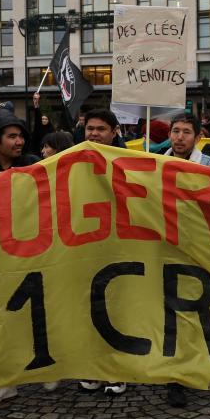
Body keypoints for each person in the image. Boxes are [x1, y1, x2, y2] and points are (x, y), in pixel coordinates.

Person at [0, 111, 51, 406]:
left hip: (34, 254)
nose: (19, 141)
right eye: (12, 136)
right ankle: (5, 381)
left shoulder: (35, 166)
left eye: (21, 136)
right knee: (0, 319)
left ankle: (51, 367)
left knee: (40, 314)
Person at [156, 113, 210, 409]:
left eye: (186, 132)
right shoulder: (153, 163)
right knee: (170, 309)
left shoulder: (208, 166)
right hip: (164, 245)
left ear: (198, 137)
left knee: (193, 308)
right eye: (175, 131)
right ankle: (175, 372)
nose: (179, 137)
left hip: (198, 246)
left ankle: (192, 366)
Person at [72, 109, 130, 396]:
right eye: (89, 128)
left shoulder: (132, 161)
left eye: (100, 129)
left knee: (118, 307)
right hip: (86, 242)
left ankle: (116, 369)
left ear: (114, 131)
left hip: (120, 242)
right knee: (88, 306)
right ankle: (92, 366)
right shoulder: (75, 159)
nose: (93, 134)